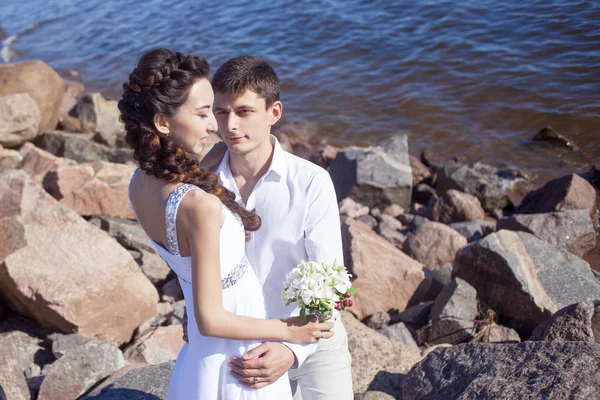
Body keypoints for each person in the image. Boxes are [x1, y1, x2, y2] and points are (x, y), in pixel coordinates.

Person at [121, 48, 334, 400]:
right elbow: (211, 318)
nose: (216, 126)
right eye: (207, 113)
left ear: (273, 113)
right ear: (162, 122)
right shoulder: (199, 204)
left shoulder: (138, 185)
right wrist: (289, 332)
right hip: (242, 358)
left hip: (202, 359)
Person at [191, 55, 353, 399]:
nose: (230, 125)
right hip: (239, 346)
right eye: (221, 112)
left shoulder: (311, 182)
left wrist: (293, 350)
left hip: (314, 342)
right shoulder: (202, 185)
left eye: (244, 111)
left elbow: (331, 281)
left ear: (274, 113)